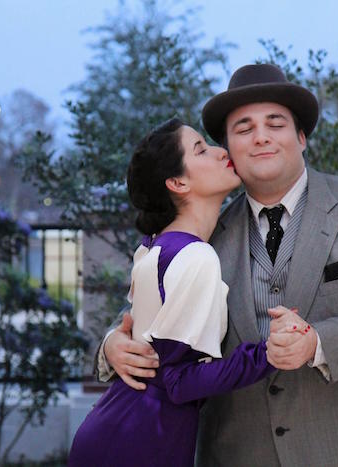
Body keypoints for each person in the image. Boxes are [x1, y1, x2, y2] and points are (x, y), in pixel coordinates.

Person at [97, 64, 338, 466]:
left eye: (275, 123)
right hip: (235, 452)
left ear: (302, 137)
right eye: (243, 129)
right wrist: (111, 347)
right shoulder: (203, 235)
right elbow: (150, 316)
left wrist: (318, 343)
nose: (260, 137)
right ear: (229, 151)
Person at [69, 118, 304, 467]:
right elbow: (180, 380)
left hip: (116, 426)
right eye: (201, 150)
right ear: (178, 183)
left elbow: (148, 346)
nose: (220, 151)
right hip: (142, 441)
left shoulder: (157, 246)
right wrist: (269, 353)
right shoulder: (195, 255)